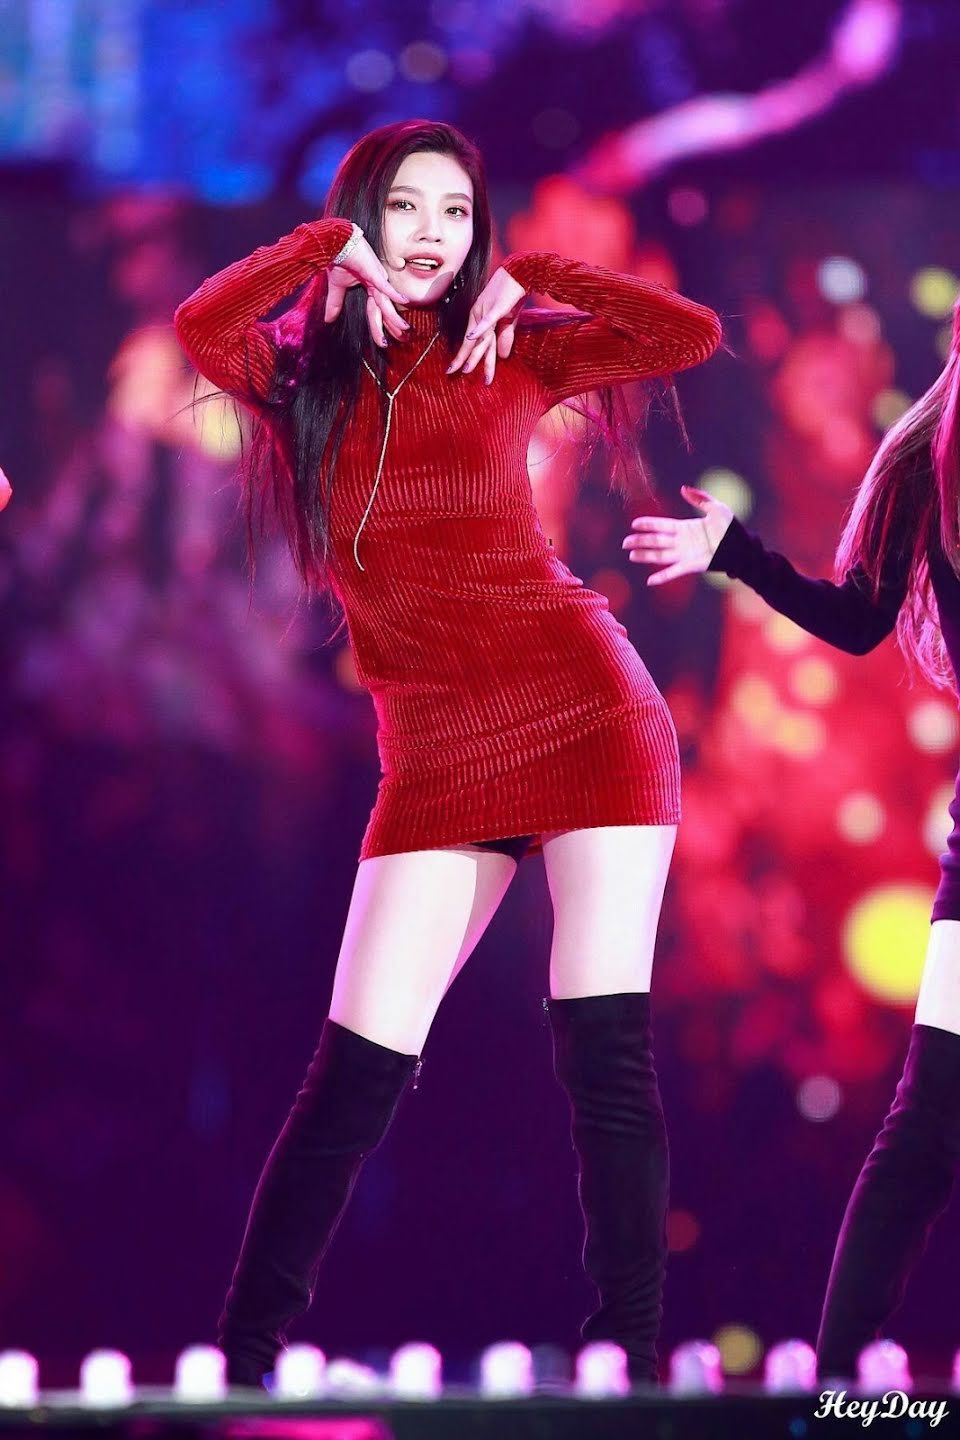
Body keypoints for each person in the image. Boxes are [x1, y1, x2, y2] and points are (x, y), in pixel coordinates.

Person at [174, 118, 721, 1387]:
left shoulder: (507, 345)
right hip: (433, 750)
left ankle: (629, 1364)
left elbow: (686, 336)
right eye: (406, 209)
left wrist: (544, 276)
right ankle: (242, 1366)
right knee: (355, 1074)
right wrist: (319, 250)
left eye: (458, 214)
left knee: (603, 1050)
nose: (433, 236)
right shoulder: (297, 375)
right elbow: (204, 324)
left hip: (587, 710)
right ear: (365, 217)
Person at [623, 299, 960, 1377]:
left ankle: (840, 1389)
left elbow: (857, 619)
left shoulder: (928, 450)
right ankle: (842, 1389)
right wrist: (740, 554)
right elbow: (860, 618)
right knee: (925, 1131)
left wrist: (739, 554)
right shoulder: (933, 454)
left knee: (924, 1132)